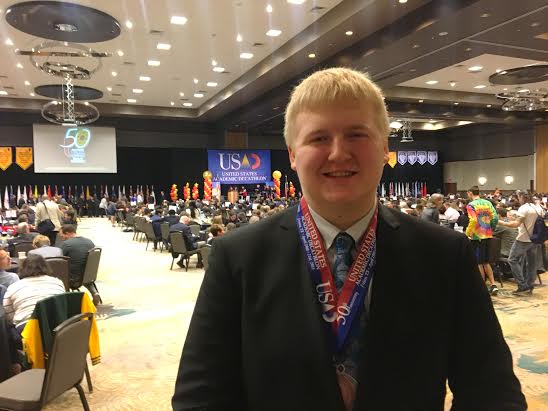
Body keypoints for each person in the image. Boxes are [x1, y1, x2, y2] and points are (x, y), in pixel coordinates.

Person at [172, 68, 525, 410]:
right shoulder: (238, 257)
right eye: (319, 138)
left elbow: (492, 393)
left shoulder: (444, 254)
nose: (339, 153)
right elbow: (200, 398)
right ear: (293, 154)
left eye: (357, 135)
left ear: (385, 148)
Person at [3, 254, 65, 334]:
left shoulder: (13, 287)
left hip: (27, 329)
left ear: (23, 268)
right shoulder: (58, 282)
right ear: (46, 266)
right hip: (57, 326)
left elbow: (8, 315)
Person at [498, 190, 545, 295]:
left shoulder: (524, 208)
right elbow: (528, 220)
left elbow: (515, 224)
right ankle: (530, 285)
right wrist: (514, 216)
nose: (518, 199)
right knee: (531, 263)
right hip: (535, 239)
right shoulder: (538, 207)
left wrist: (500, 222)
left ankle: (522, 285)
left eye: (518, 197)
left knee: (512, 260)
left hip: (523, 238)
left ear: (521, 197)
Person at [466, 186, 499, 295]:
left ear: (470, 193)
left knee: (479, 262)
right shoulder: (487, 203)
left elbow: (473, 220)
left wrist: (468, 233)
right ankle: (493, 285)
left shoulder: (471, 205)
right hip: (488, 234)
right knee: (486, 262)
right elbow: (495, 218)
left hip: (477, 236)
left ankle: (482, 287)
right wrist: (490, 228)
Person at [59, 224, 100, 305]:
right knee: (82, 268)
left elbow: (59, 259)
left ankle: (64, 301)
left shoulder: (66, 244)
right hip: (89, 276)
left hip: (73, 279)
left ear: (67, 233)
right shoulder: (89, 242)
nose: (61, 238)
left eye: (62, 235)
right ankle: (94, 292)